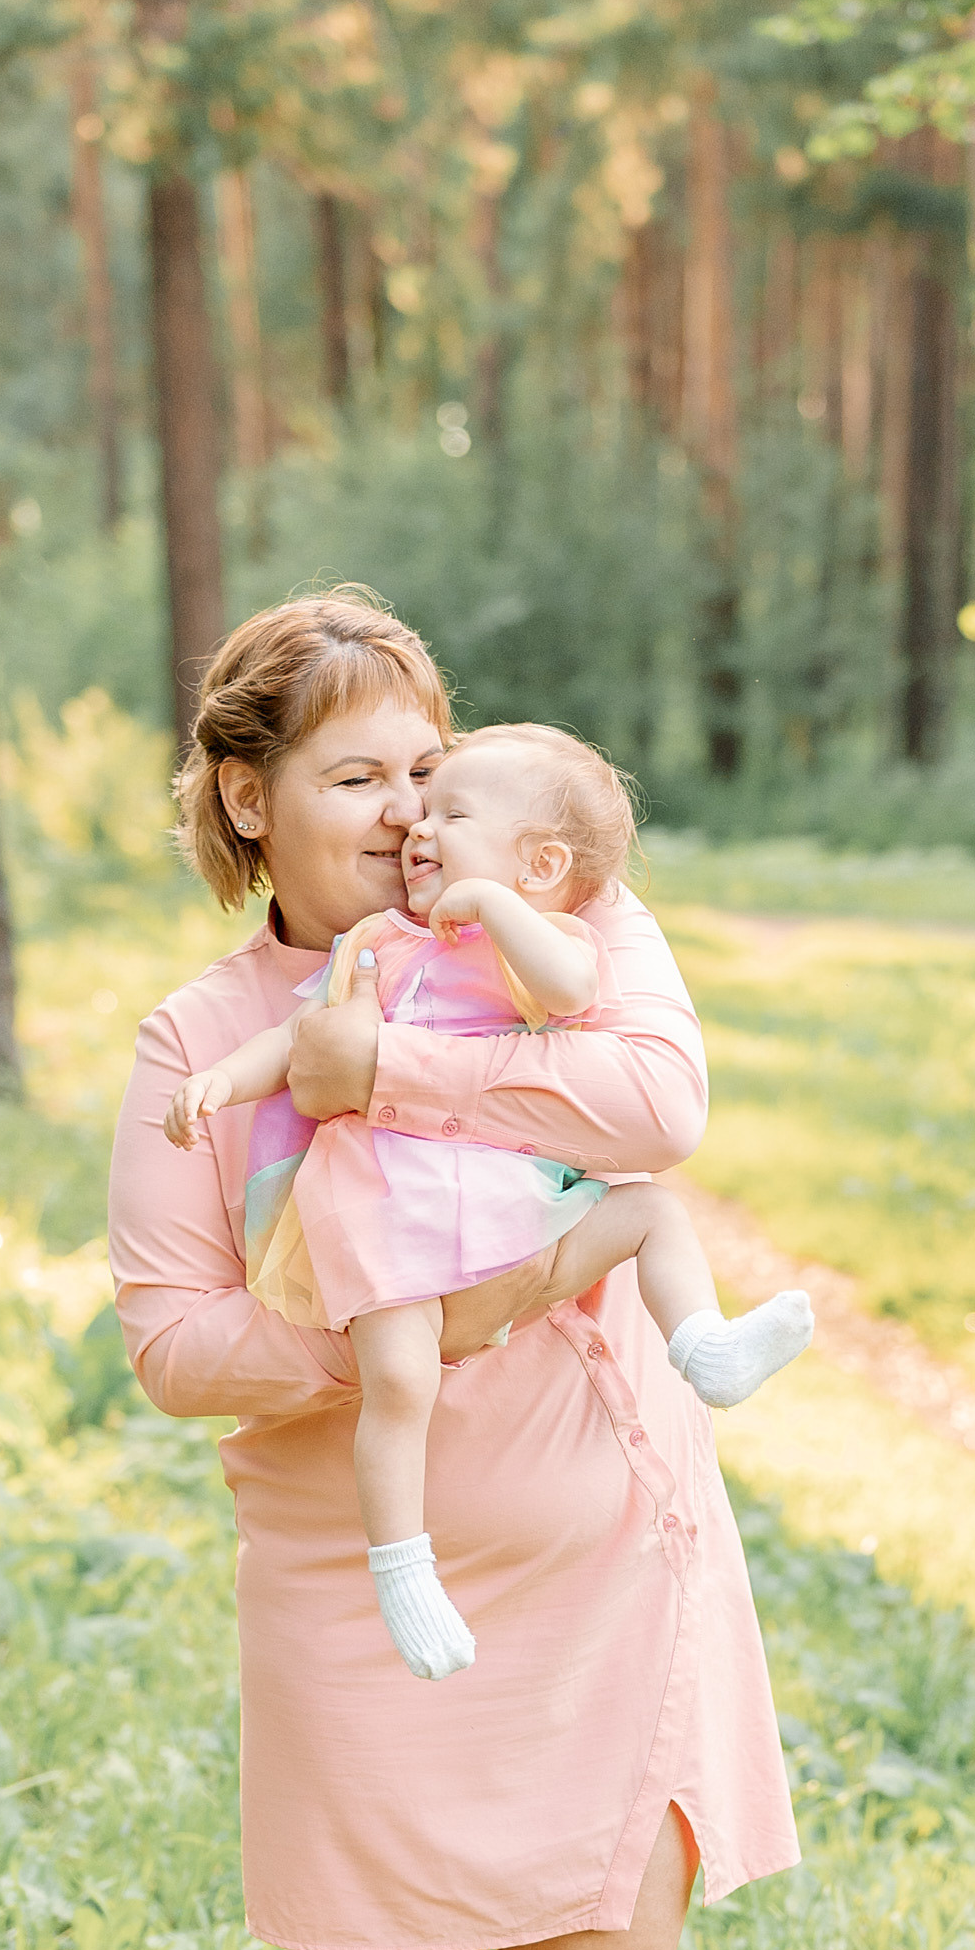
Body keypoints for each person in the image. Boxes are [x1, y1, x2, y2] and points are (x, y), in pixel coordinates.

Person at [106, 589, 800, 1950]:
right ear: (247, 799)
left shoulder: (553, 917)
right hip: (358, 1573)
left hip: (601, 1557)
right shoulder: (202, 1035)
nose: (409, 810)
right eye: (353, 777)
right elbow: (174, 1345)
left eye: (427, 766)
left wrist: (390, 1084)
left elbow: (654, 1110)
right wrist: (463, 1311)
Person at [159, 718, 814, 1681]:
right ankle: (402, 1564)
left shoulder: (543, 937)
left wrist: (491, 909)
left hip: (508, 1215)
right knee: (401, 1382)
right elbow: (305, 1044)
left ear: (539, 865)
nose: (418, 824)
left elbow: (572, 991)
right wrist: (223, 1079)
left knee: (654, 1212)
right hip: (389, 1216)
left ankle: (703, 1346)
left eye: (447, 808)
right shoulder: (379, 941)